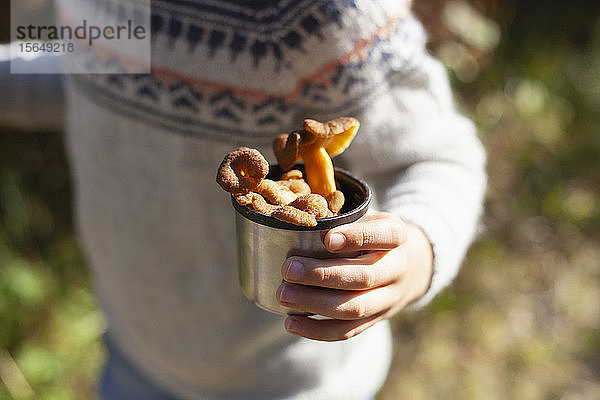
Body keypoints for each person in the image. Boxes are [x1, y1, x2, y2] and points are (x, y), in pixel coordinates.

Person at [2, 0, 486, 398]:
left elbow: (436, 155)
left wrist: (417, 251)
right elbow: (83, 69)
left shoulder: (316, 14)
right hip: (134, 358)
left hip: (288, 381)